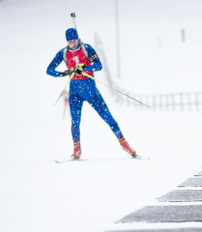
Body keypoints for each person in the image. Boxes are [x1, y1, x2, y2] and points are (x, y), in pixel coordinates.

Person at [46, 27, 136, 159]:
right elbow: (49, 70)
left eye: (74, 40)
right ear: (67, 41)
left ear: (78, 38)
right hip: (74, 92)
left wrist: (84, 67)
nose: (72, 43)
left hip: (91, 91)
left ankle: (124, 143)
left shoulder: (86, 48)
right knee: (75, 122)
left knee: (108, 117)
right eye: (70, 41)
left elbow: (99, 65)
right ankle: (77, 149)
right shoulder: (63, 53)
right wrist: (63, 73)